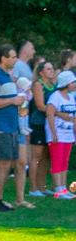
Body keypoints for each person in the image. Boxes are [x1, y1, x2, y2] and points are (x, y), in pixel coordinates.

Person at [0, 44, 31, 211]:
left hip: (10, 127)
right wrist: (12, 101)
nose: (15, 59)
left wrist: (17, 102)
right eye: (12, 57)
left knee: (6, 164)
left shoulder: (6, 76)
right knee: (3, 164)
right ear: (3, 58)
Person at [44, 70, 76, 199]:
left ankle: (63, 187)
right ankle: (58, 189)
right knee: (57, 161)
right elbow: (50, 114)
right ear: (66, 83)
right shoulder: (55, 96)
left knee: (64, 161)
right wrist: (53, 134)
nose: (74, 84)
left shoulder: (71, 97)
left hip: (68, 135)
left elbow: (74, 117)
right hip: (58, 135)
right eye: (73, 82)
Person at [28, 59, 57, 197]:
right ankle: (33, 188)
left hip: (49, 124)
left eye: (52, 68)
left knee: (46, 156)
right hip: (38, 123)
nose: (52, 71)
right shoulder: (37, 85)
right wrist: (56, 112)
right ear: (41, 72)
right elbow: (40, 106)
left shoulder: (52, 85)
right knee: (36, 156)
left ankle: (42, 186)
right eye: (48, 69)